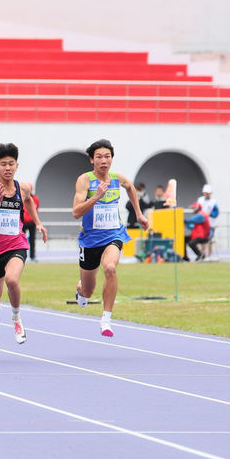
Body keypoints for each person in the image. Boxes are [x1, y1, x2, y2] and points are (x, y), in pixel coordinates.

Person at [72, 139, 148, 338]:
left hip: (113, 234)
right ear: (92, 160)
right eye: (99, 157)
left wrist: (139, 214)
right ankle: (81, 289)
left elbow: (130, 187)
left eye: (107, 156)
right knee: (88, 291)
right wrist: (96, 197)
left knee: (110, 268)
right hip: (90, 239)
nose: (103, 160)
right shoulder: (84, 180)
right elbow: (76, 212)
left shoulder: (116, 178)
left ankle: (106, 318)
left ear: (112, 159)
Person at [0, 145, 47, 350]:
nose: (7, 168)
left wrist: (38, 223)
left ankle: (16, 318)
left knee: (12, 279)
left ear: (16, 166)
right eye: (3, 164)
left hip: (16, 243)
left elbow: (29, 201)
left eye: (11, 164)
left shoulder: (22, 188)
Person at [21, 183, 41, 261]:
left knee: (32, 240)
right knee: (21, 240)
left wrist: (37, 222)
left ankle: (32, 256)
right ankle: (22, 256)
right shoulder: (22, 198)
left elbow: (36, 209)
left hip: (32, 222)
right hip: (23, 222)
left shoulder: (35, 198)